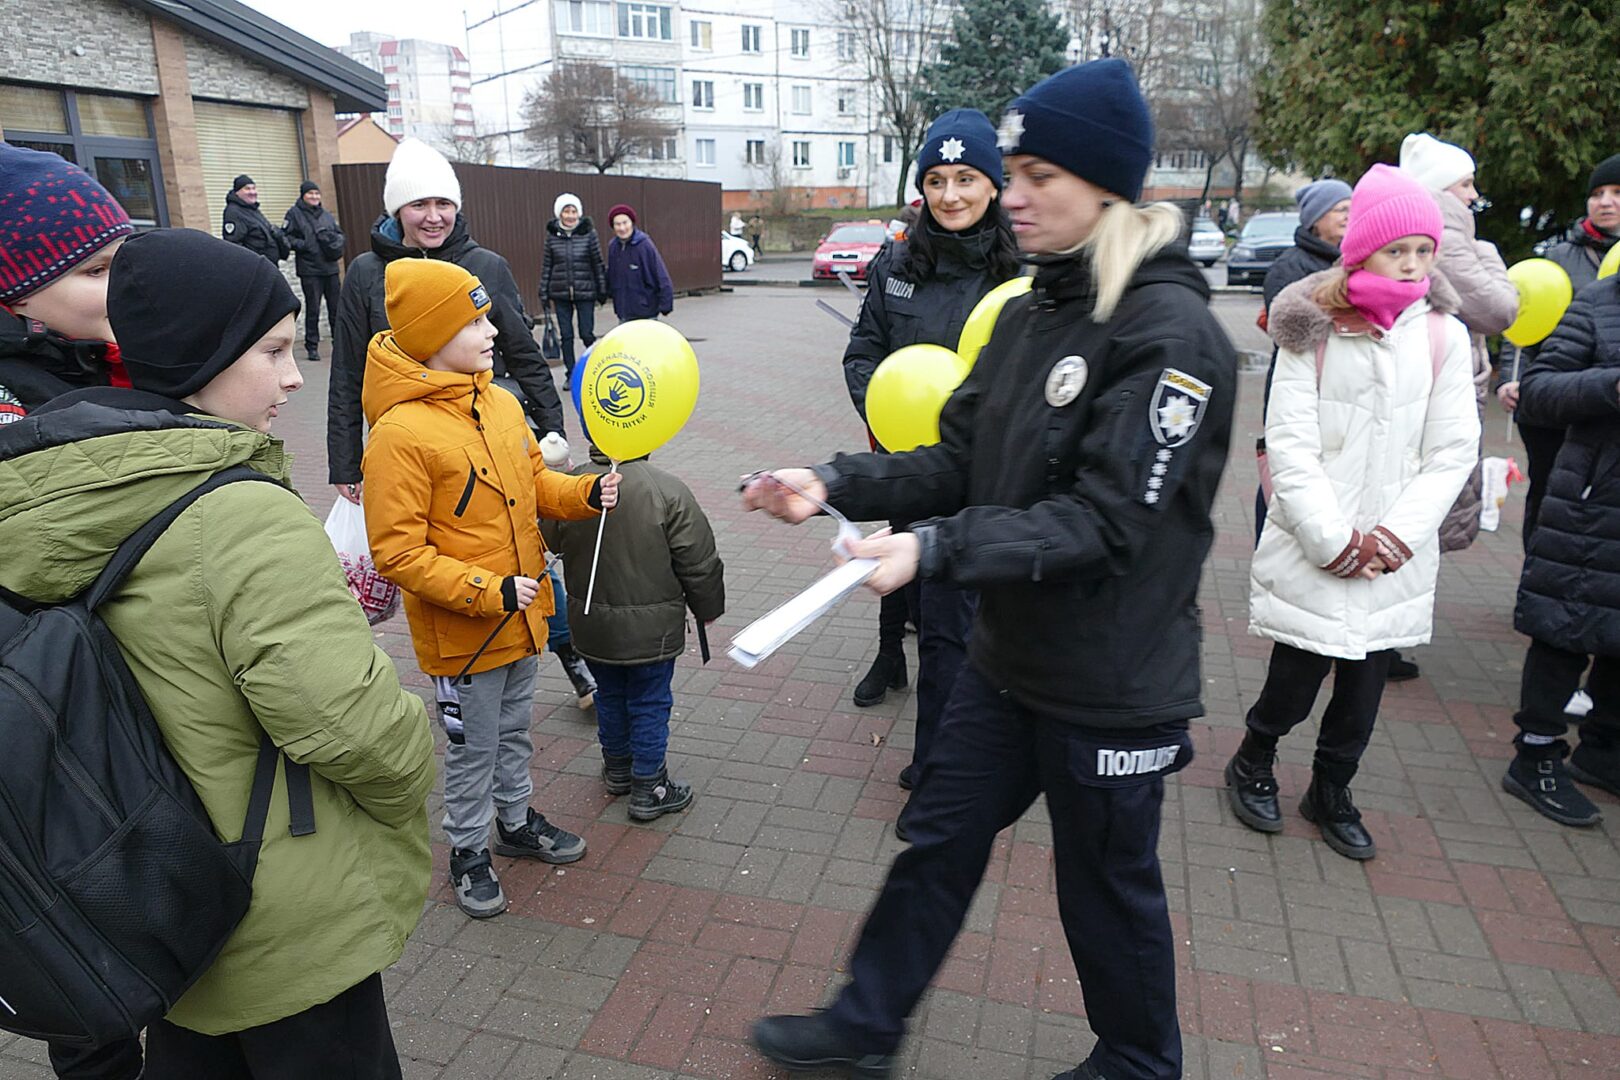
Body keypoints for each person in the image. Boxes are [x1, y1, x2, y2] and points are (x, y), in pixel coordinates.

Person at [745, 59, 1236, 1080]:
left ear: (1109, 184)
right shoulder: (1024, 315)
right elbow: (957, 460)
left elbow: (1104, 523)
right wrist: (830, 480)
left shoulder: (1170, 332)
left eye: (1038, 175)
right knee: (939, 835)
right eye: (1012, 170)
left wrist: (937, 548)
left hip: (1112, 684)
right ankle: (863, 1028)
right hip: (1009, 663)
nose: (1011, 195)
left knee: (1102, 886)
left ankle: (1140, 1060)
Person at [0, 228, 435, 1078]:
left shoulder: (66, 483)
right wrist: (415, 765)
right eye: (272, 349)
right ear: (205, 352)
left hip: (150, 893)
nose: (295, 375)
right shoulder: (240, 513)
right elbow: (346, 721)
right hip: (279, 907)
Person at [1230, 165, 1479, 861]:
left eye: (1423, 250)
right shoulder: (1311, 328)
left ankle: (1332, 788)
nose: (1411, 264)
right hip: (1322, 544)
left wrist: (1395, 536)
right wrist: (1335, 540)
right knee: (1295, 679)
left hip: (1393, 556)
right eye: (1396, 248)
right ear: (1360, 248)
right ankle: (1254, 758)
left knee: (1364, 692)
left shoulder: (1442, 337)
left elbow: (1453, 447)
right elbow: (1289, 443)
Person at [360, 258, 616, 918]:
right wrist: (487, 590)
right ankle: (468, 849)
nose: (492, 328)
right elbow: (397, 552)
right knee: (472, 748)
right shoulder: (398, 434)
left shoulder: (499, 403)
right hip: (466, 635)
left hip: (523, 617)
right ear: (430, 334)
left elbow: (536, 486)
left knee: (513, 733)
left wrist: (586, 492)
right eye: (473, 320)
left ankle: (515, 823)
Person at [839, 108, 1021, 831]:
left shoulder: (1024, 271)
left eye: (966, 179)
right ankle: (939, 768)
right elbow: (863, 355)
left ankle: (977, 760)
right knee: (942, 626)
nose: (950, 196)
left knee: (987, 629)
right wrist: (883, 415)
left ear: (993, 185)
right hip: (919, 474)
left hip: (1000, 480)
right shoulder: (896, 265)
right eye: (937, 181)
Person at [541, 439, 725, 822]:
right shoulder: (667, 489)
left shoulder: (574, 484)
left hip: (591, 621)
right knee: (649, 700)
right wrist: (708, 607)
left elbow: (550, 537)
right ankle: (650, 785)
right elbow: (698, 561)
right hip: (652, 628)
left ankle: (619, 768)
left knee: (609, 694)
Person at [1501, 268, 1620, 826]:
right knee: (1566, 625)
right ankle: (1537, 755)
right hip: (1593, 502)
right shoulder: (1599, 304)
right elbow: (1540, 393)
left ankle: (1603, 753)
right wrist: (1612, 385)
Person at [1499, 152, 1620, 545]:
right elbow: (1522, 320)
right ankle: (1536, 580)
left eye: (1617, 193)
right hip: (1553, 406)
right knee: (1548, 494)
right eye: (1598, 193)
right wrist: (1512, 379)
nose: (1605, 202)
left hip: (1606, 411)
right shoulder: (1557, 257)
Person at [0, 143, 133, 425]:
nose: (126, 284)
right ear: (17, 292)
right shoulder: (15, 406)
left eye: (124, 264)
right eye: (96, 270)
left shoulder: (105, 359)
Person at [1254, 179, 1351, 539]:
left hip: (1338, 388)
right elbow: (1291, 334)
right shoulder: (1289, 267)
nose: (1350, 215)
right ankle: (1271, 537)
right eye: (1341, 209)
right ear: (1315, 219)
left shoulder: (1355, 263)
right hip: (1296, 386)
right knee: (1285, 473)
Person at [540, 192, 609, 390]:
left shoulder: (589, 234)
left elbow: (597, 262)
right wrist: (543, 291)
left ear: (579, 213)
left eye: (573, 211)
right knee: (567, 336)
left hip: (585, 292)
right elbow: (547, 265)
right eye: (566, 211)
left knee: (587, 333)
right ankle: (571, 374)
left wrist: (602, 288)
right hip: (560, 293)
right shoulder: (553, 236)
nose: (570, 216)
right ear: (559, 214)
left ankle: (592, 369)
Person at [281, 180, 345, 363]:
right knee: (313, 309)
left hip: (330, 268)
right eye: (310, 193)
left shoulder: (326, 215)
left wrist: (335, 242)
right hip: (310, 269)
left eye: (317, 193)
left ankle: (339, 344)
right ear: (303, 195)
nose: (314, 197)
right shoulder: (294, 214)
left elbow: (339, 234)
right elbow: (286, 237)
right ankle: (312, 346)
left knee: (336, 309)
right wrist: (304, 245)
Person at [605, 204, 674, 322]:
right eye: (617, 224)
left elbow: (660, 274)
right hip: (623, 312)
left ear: (632, 223)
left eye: (625, 223)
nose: (622, 228)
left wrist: (666, 303)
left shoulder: (644, 245)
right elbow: (611, 275)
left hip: (646, 313)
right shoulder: (613, 247)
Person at [221, 174, 289, 266]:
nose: (252, 192)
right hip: (255, 268)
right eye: (247, 189)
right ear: (237, 192)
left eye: (253, 188)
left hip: (268, 266)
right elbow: (234, 245)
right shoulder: (233, 212)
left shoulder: (252, 209)